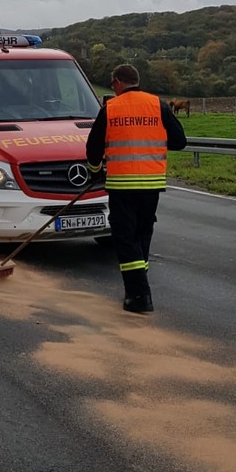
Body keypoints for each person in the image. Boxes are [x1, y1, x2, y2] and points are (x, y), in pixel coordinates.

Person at [86, 64, 186, 313]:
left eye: (112, 84)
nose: (113, 88)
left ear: (118, 81)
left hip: (122, 184)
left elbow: (93, 147)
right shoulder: (158, 104)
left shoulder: (111, 108)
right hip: (152, 184)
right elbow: (179, 141)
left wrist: (95, 170)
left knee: (125, 237)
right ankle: (138, 287)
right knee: (142, 234)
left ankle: (139, 295)